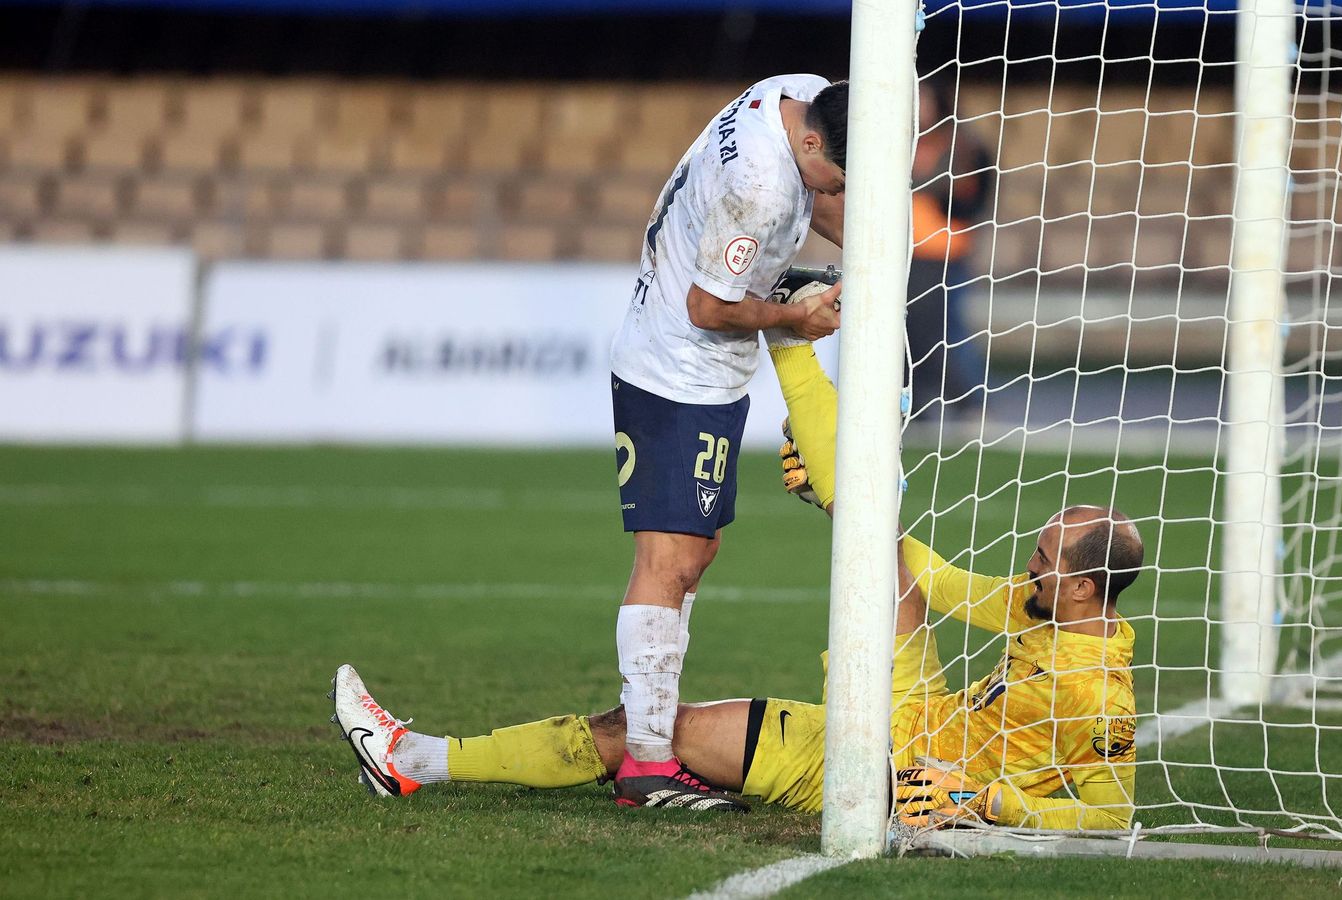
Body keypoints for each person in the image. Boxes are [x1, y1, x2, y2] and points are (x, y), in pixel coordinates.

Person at [331, 325, 1143, 830]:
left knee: (646, 730)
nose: (1027, 571)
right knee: (879, 543)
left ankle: (413, 758)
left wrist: (993, 802)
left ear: (1080, 589)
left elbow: (1110, 815)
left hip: (890, 765)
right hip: (921, 711)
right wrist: (842, 510)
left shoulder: (1098, 692)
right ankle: (793, 349)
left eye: (1041, 564)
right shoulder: (1046, 612)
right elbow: (930, 576)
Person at [602, 75, 848, 811]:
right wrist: (793, 320)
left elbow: (824, 201)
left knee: (694, 554)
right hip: (675, 370)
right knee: (669, 561)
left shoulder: (796, 90)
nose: (836, 194)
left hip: (702, 375)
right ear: (809, 142)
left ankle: (647, 729)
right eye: (837, 176)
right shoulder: (762, 189)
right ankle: (646, 761)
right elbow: (708, 305)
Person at [905, 79, 993, 423]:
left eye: (925, 99)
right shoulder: (905, 141)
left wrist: (934, 196)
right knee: (908, 333)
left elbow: (974, 193)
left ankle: (971, 402)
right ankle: (916, 405)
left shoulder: (961, 145)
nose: (920, 106)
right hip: (905, 251)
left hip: (944, 249)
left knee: (945, 331)